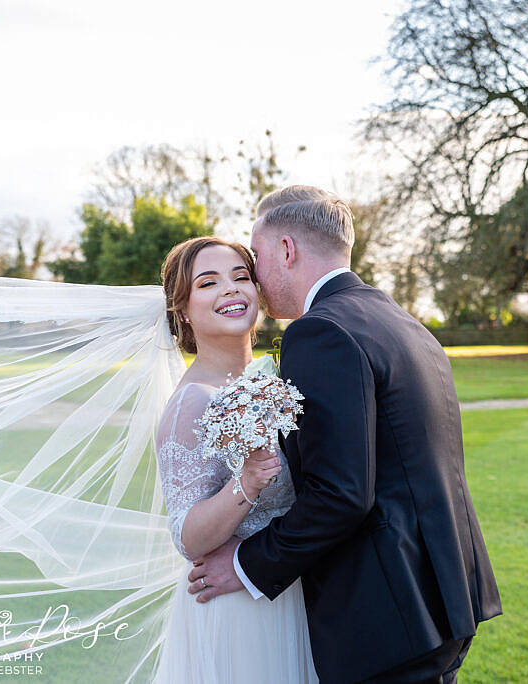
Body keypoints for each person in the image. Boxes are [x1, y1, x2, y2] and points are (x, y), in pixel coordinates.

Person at [187, 186, 502, 683]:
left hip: (384, 611)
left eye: (256, 257)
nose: (255, 278)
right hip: (442, 596)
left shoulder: (320, 332)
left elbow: (341, 493)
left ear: (286, 250)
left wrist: (247, 564)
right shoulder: (401, 321)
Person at [153, 236, 318, 682]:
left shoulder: (274, 378)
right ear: (183, 308)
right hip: (239, 611)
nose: (230, 289)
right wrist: (247, 480)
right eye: (208, 283)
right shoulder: (192, 403)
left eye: (241, 277)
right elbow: (187, 538)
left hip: (289, 589)